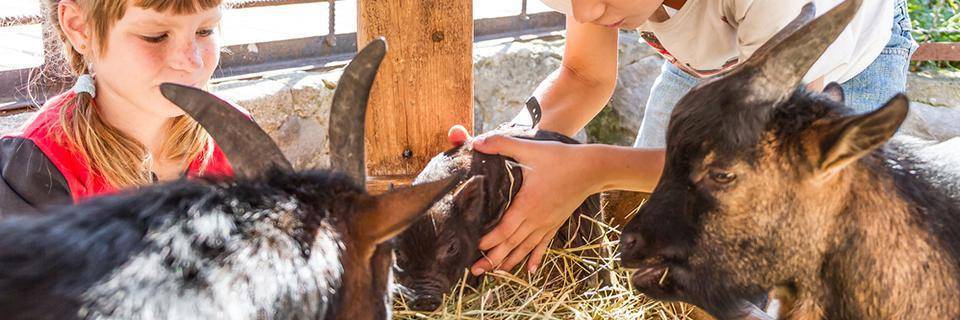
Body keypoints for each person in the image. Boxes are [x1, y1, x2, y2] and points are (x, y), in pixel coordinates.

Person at [458, 0, 918, 276]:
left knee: (809, 256)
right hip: (708, 61)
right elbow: (582, 75)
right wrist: (515, 143)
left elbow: (768, 157)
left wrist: (588, 170)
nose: (587, 13)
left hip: (847, 63)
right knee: (655, 239)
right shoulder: (598, 2)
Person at [0, 0, 234, 216]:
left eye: (205, 30)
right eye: (156, 36)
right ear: (80, 28)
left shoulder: (235, 138)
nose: (193, 61)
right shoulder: (36, 168)